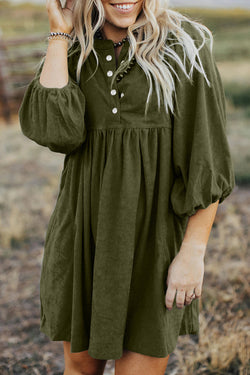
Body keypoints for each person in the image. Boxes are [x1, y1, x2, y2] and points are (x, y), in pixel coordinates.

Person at [18, 0, 235, 373]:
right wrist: (59, 33)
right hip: (83, 237)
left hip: (154, 245)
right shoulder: (74, 48)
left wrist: (193, 252)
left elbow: (207, 160)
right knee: (81, 368)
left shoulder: (186, 46)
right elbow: (58, 132)